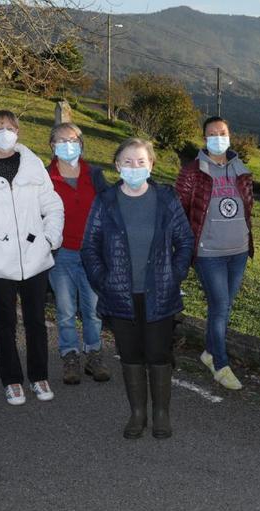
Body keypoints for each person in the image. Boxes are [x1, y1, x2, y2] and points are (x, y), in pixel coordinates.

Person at [81, 138, 195, 439]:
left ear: (151, 165)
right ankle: (137, 413)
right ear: (117, 166)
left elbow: (185, 240)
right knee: (130, 354)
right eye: (128, 162)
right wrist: (104, 281)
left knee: (158, 354)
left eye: (141, 161)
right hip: (120, 294)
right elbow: (89, 247)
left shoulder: (166, 199)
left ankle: (160, 414)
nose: (135, 167)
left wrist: (176, 273)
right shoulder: (105, 202)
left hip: (160, 293)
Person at [0, 110, 65, 406]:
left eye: (9, 127)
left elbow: (53, 207)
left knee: (36, 321)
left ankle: (39, 376)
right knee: (4, 323)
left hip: (35, 258)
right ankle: (11, 380)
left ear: (18, 131)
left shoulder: (33, 166)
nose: (3, 132)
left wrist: (48, 240)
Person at [176, 116, 255, 391]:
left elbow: (248, 207)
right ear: (204, 138)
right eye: (212, 134)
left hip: (239, 252)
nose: (218, 138)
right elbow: (180, 210)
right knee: (220, 307)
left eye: (222, 132)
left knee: (223, 307)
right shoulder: (193, 171)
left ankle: (209, 352)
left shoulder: (241, 169)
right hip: (209, 253)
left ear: (230, 135)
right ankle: (220, 365)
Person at [46, 122, 111, 385]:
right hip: (61, 254)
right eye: (61, 140)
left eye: (73, 139)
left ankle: (93, 354)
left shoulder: (94, 174)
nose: (68, 145)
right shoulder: (43, 177)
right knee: (65, 309)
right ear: (52, 146)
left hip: (92, 254)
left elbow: (111, 208)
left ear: (81, 143)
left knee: (93, 309)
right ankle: (70, 356)